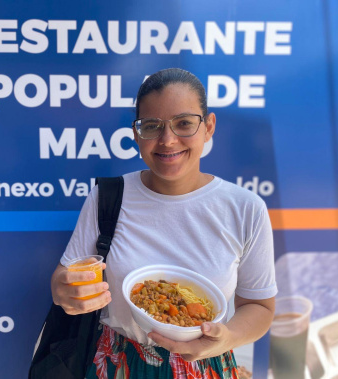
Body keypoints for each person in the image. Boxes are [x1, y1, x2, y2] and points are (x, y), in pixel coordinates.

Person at [51, 68, 277, 378]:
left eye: (184, 124)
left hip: (207, 363)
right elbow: (67, 274)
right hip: (117, 362)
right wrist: (64, 291)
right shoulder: (107, 196)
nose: (167, 140)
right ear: (136, 134)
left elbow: (260, 307)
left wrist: (225, 339)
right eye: (152, 126)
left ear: (208, 127)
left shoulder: (245, 208)